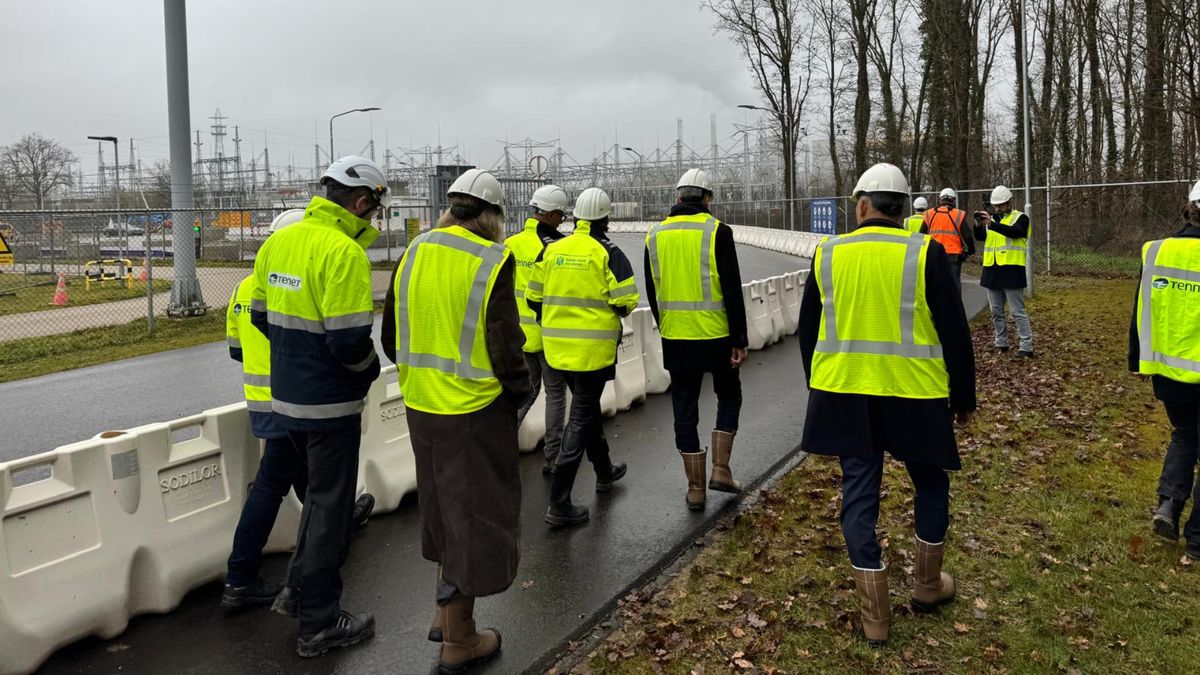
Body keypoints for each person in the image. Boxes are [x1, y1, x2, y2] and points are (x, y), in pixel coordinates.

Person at [797, 163, 976, 646]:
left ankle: (875, 615)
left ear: (860, 205)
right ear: (903, 210)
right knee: (930, 482)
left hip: (847, 392)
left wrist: (818, 384)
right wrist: (963, 398)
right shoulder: (925, 254)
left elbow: (807, 331)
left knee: (859, 493)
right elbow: (955, 333)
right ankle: (926, 586)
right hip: (913, 393)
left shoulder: (829, 254)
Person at [383, 168, 529, 673]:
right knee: (476, 520)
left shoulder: (415, 250)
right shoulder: (492, 258)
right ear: (490, 216)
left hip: (421, 404)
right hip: (474, 408)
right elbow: (505, 342)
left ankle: (442, 615)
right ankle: (459, 640)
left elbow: (390, 331)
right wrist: (518, 393)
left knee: (443, 511)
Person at [250, 156, 384, 657]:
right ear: (362, 200)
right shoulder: (343, 253)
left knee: (317, 503)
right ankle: (321, 622)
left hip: (286, 399)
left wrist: (295, 359)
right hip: (329, 406)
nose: (373, 219)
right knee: (331, 511)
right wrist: (368, 370)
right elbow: (351, 341)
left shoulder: (279, 241)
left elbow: (262, 316)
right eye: (374, 208)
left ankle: (296, 590)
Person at [222, 209, 377, 612]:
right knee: (285, 485)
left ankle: (331, 535)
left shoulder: (246, 287)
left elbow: (237, 348)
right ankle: (247, 579)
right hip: (301, 398)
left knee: (310, 481)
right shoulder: (318, 269)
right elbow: (343, 339)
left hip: (268, 399)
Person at [526, 187, 639, 528]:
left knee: (585, 413)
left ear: (574, 216)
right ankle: (559, 501)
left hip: (557, 352)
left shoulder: (553, 250)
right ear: (605, 219)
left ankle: (605, 471)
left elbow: (533, 298)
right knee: (579, 419)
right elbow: (626, 301)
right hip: (592, 354)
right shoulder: (609, 252)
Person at [644, 169, 748, 512]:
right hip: (716, 335)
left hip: (677, 337)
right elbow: (732, 289)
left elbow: (653, 291)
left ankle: (695, 489)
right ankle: (721, 468)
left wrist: (666, 327)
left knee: (684, 408)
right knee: (729, 395)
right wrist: (739, 339)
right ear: (707, 199)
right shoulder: (718, 232)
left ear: (677, 198)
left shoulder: (654, 236)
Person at [1129, 179, 1200, 562]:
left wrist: (1137, 359)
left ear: (1189, 207)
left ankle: (1168, 507)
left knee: (1185, 436)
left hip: (1169, 369)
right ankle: (1197, 540)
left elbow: (1140, 310)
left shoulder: (1156, 251)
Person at [506, 185, 570, 474]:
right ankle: (553, 456)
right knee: (555, 394)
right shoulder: (555, 247)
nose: (561, 222)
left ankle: (502, 448)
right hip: (548, 336)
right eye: (561, 216)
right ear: (553, 214)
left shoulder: (510, 244)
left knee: (527, 392)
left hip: (519, 337)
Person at [973, 185, 1034, 356]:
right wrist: (978, 224)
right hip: (992, 270)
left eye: (1001, 205)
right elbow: (980, 237)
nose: (998, 208)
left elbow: (1015, 233)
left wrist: (991, 224)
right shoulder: (990, 220)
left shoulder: (1021, 218)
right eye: (996, 205)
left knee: (1017, 311)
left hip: (1012, 271)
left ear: (1009, 202)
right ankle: (1001, 342)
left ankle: (1026, 345)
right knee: (996, 311)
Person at [921, 188, 975, 292]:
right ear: (953, 200)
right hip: (953, 255)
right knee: (954, 282)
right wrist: (971, 250)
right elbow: (967, 235)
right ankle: (955, 306)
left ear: (940, 200)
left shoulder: (929, 214)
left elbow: (921, 234)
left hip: (934, 254)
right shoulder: (958, 214)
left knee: (935, 282)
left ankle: (937, 305)